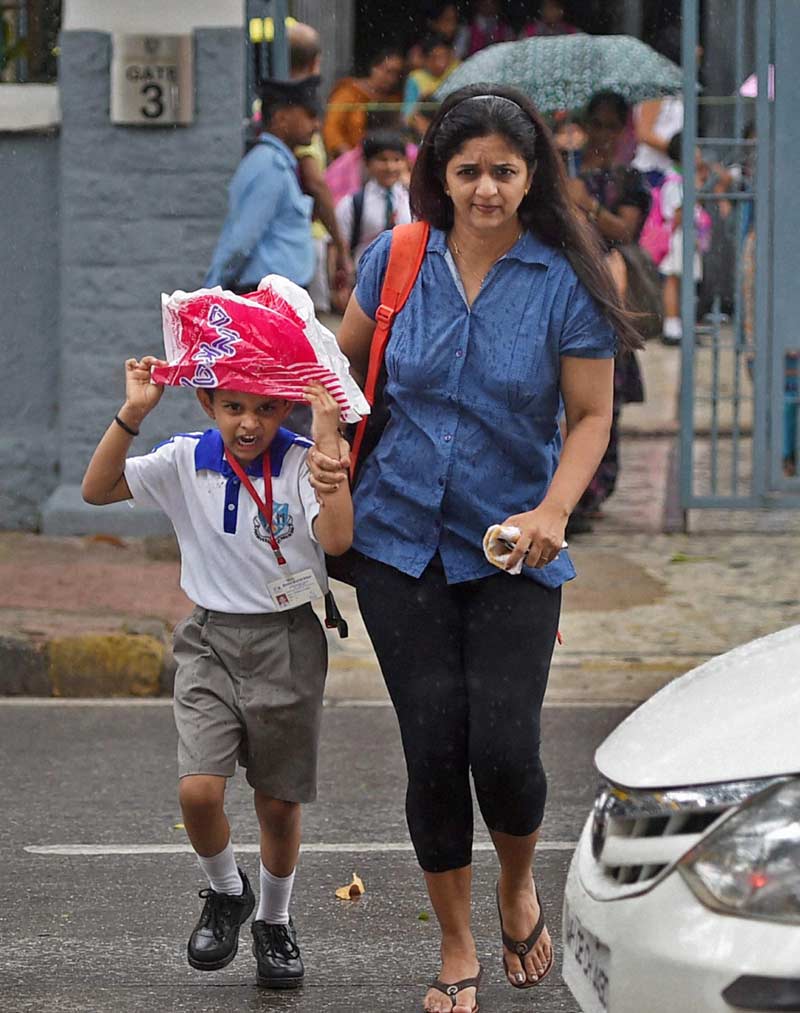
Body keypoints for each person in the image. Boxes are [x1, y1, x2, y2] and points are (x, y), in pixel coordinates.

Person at [308, 83, 640, 1013]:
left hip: (512, 546)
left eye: (504, 170)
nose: (486, 188)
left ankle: (517, 884)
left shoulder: (566, 278)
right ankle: (456, 942)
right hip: (397, 539)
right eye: (469, 171)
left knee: (504, 747)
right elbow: (336, 366)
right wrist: (327, 438)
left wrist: (554, 511)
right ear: (441, 176)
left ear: (532, 176)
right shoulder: (397, 257)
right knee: (432, 744)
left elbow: (590, 415)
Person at [81, 350, 353, 988]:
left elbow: (338, 539)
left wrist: (327, 442)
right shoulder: (184, 459)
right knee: (198, 792)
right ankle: (228, 892)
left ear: (284, 407)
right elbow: (97, 489)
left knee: (278, 803)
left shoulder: (300, 461)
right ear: (207, 402)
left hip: (288, 640)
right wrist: (133, 412)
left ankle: (274, 921)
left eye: (265, 408)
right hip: (208, 640)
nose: (249, 422)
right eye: (233, 407)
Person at [565, 91, 650, 531]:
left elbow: (625, 232)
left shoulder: (629, 181)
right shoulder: (564, 170)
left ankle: (593, 492)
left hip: (609, 300)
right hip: (566, 291)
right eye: (595, 124)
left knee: (603, 404)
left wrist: (587, 203)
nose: (602, 134)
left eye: (610, 125)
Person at [205, 77, 321, 293]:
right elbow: (241, 240)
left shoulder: (277, 162)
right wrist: (215, 289)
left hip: (277, 294)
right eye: (309, 116)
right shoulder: (270, 166)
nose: (316, 125)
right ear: (281, 118)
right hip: (266, 296)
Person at [286, 22, 354, 313]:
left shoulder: (271, 101)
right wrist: (340, 243)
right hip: (307, 239)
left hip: (290, 241)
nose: (315, 125)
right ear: (315, 62)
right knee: (313, 323)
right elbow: (315, 181)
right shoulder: (300, 109)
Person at [335, 131, 411, 265]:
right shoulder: (353, 203)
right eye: (382, 160)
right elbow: (339, 244)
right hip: (364, 272)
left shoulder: (412, 201)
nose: (390, 167)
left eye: (397, 160)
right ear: (367, 163)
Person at [323, 49, 405, 159]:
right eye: (388, 71)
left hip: (386, 161)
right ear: (374, 68)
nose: (392, 79)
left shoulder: (394, 99)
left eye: (396, 74)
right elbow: (331, 129)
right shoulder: (349, 93)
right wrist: (350, 159)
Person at [402, 33, 458, 122]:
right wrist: (422, 103)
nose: (442, 63)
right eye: (436, 57)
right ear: (426, 59)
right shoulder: (415, 78)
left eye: (446, 56)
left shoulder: (458, 71)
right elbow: (407, 117)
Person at [407, 2, 463, 70]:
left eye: (455, 20)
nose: (452, 26)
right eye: (447, 20)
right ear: (433, 23)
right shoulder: (419, 51)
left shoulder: (461, 37)